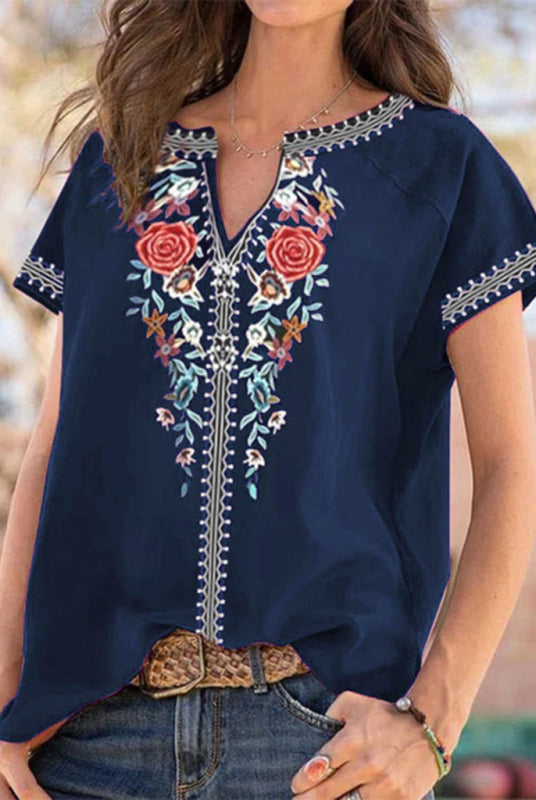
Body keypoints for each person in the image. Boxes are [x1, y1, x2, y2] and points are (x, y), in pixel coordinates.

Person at [1, 0, 536, 798]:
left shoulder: (440, 165)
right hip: (87, 742)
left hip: (321, 740)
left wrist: (433, 722)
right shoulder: (122, 154)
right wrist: (5, 694)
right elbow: (54, 443)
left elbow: (510, 463)